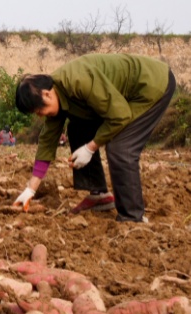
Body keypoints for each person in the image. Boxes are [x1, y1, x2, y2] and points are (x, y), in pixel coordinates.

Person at [13, 53, 176, 223]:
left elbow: (120, 116)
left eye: (40, 111)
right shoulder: (57, 98)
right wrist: (30, 190)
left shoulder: (78, 81)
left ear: (46, 94)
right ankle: (99, 195)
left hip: (151, 86)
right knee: (77, 127)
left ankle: (132, 217)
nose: (41, 116)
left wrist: (90, 147)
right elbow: (47, 141)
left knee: (120, 148)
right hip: (122, 98)